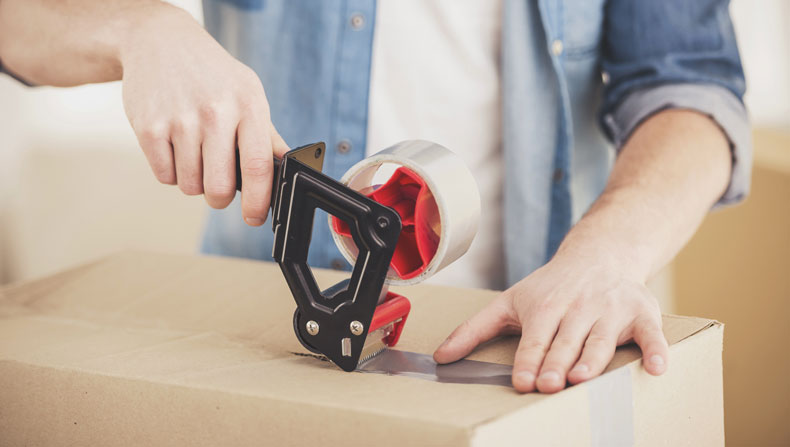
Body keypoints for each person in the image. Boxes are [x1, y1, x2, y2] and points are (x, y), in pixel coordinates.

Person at [0, 0, 750, 394]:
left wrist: (604, 257)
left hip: (531, 338)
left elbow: (693, 87)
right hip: (261, 348)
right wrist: (136, 27)